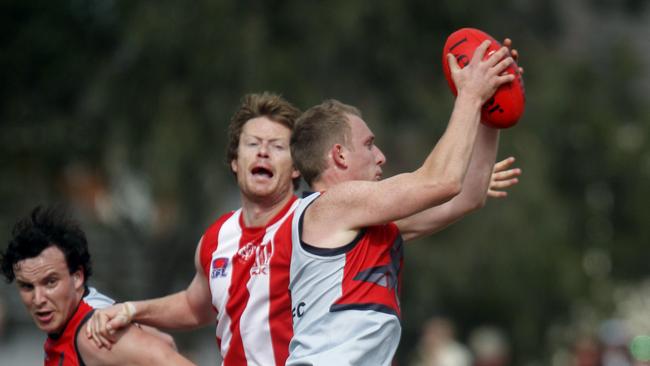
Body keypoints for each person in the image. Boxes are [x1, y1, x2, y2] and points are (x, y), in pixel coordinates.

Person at [283, 39, 519, 365]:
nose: (380, 156)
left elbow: (468, 195)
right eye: (369, 145)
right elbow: (443, 181)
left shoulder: (366, 224)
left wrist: (490, 107)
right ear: (339, 155)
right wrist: (470, 94)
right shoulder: (331, 205)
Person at [86, 92, 303, 366]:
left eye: (276, 146)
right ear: (235, 161)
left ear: (296, 167)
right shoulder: (216, 238)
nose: (263, 152)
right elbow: (193, 306)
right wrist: (131, 310)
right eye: (253, 144)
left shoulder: (312, 222)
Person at [0, 205, 195, 366]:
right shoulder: (87, 315)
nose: (38, 299)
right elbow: (166, 341)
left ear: (77, 277)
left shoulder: (93, 335)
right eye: (27, 286)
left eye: (50, 282)